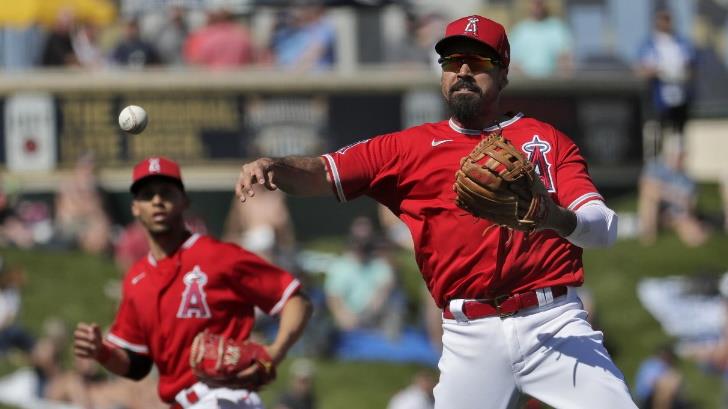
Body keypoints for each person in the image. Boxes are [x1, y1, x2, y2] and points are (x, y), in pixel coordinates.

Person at [237, 14, 637, 409]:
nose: (463, 70)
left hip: (554, 322)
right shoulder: (406, 150)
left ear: (503, 75)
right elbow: (324, 172)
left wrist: (553, 217)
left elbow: (603, 228)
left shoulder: (545, 140)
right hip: (470, 333)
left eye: (478, 62)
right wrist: (276, 167)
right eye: (452, 61)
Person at [73, 156, 312, 408]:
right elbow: (136, 364)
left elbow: (294, 299)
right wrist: (101, 351)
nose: (157, 201)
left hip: (224, 397)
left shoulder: (218, 256)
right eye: (147, 194)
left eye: (166, 192)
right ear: (135, 207)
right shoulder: (136, 279)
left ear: (184, 201)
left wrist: (275, 352)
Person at [636, 10, 697, 141]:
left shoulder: (682, 43)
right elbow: (640, 70)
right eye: (662, 19)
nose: (665, 23)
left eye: (667, 19)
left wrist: (681, 73)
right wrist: (658, 71)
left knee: (678, 134)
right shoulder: (649, 45)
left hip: (681, 97)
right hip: (658, 98)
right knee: (658, 133)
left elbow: (691, 67)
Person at [637, 137, 708, 247]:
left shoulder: (687, 179)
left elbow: (691, 203)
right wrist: (675, 197)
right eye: (678, 155)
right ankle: (648, 235)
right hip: (657, 209)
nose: (680, 159)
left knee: (691, 229)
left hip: (677, 214)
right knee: (649, 199)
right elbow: (647, 188)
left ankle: (694, 236)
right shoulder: (655, 167)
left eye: (682, 156)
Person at [508, 0, 574, 78]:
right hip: (525, 85)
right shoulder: (519, 31)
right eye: (534, 2)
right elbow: (512, 63)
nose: (537, 4)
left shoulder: (558, 29)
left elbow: (566, 61)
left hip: (552, 85)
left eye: (540, 2)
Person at [633, 344, 692, 409]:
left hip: (651, 396)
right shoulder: (654, 364)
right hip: (646, 395)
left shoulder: (659, 364)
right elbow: (651, 383)